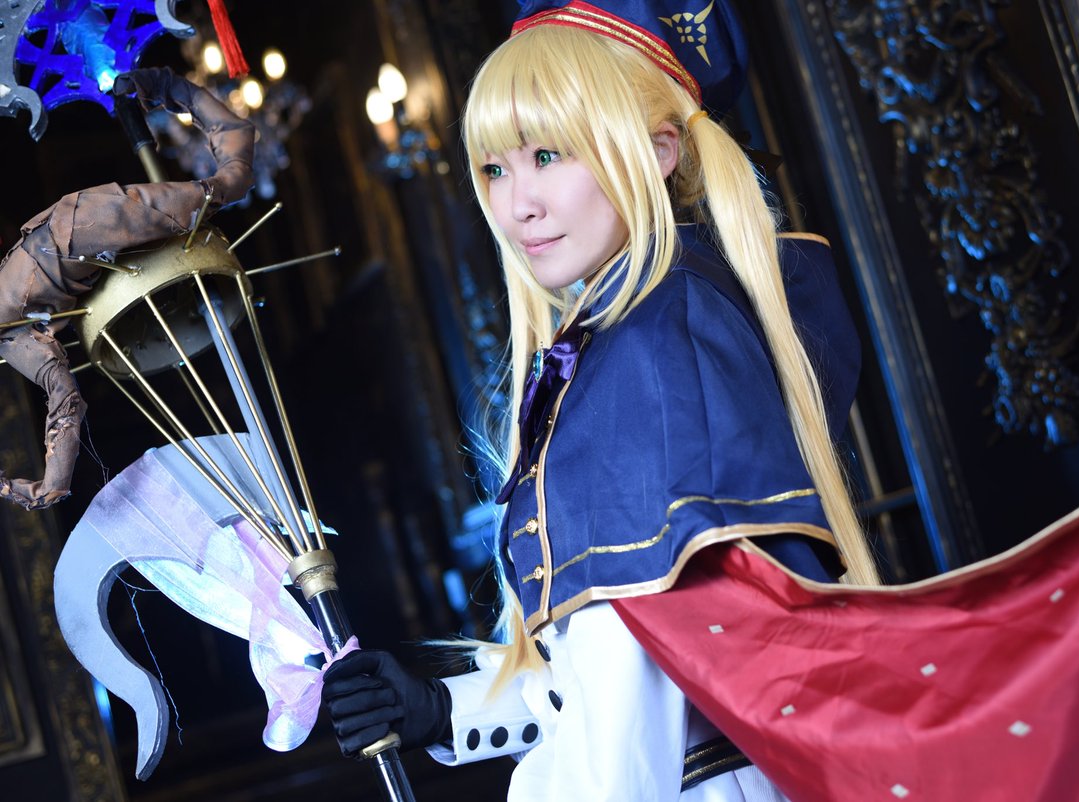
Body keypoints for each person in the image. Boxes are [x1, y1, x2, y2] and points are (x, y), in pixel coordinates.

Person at [322, 1, 879, 798]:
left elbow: (624, 735)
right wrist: (445, 709)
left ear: (657, 151)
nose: (517, 204)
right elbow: (618, 674)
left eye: (547, 155)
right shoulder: (648, 325)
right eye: (495, 169)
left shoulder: (653, 347)